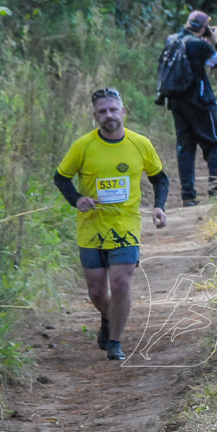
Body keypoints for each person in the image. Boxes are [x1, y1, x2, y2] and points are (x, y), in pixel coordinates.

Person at [53, 88, 169, 361]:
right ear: (95, 116)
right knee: (96, 290)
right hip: (91, 227)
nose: (109, 116)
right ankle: (107, 316)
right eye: (103, 111)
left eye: (113, 110)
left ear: (123, 111)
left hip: (126, 225)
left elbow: (159, 178)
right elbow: (61, 178)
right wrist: (77, 199)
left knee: (120, 282)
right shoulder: (83, 146)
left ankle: (115, 340)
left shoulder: (140, 143)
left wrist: (159, 206)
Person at [165, 10, 217, 207]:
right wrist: (216, 42)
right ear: (203, 27)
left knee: (185, 147)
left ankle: (188, 195)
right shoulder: (198, 44)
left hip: (176, 101)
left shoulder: (172, 40)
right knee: (213, 143)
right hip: (199, 103)